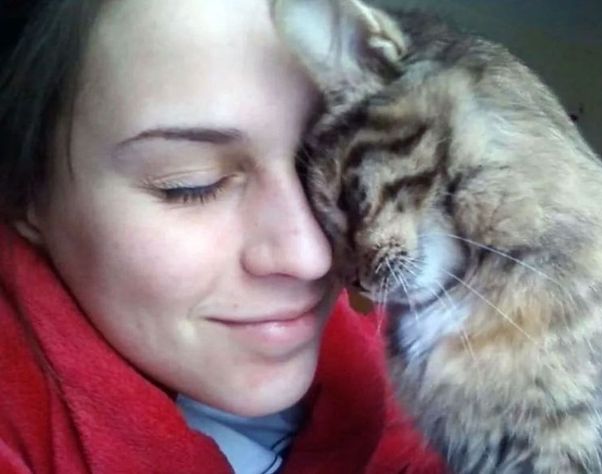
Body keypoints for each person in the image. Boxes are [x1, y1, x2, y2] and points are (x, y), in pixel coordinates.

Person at [0, 1, 446, 472]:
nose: (311, 256)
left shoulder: (422, 346)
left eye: (325, 166)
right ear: (24, 192)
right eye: (191, 185)